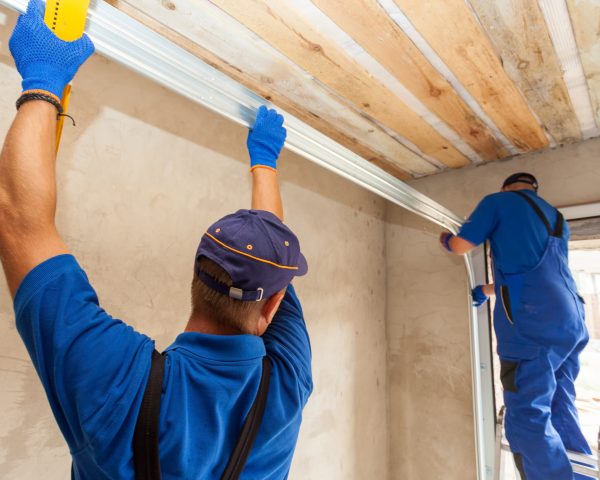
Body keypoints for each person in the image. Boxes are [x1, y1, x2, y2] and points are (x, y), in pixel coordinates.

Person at [0, 1, 312, 478]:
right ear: (271, 307)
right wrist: (264, 160)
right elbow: (17, 221)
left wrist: (43, 79)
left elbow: (25, 224)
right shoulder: (286, 382)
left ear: (195, 275)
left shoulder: (121, 384)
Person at [439, 172, 591, 479]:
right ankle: (583, 474)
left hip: (533, 327)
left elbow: (460, 246)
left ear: (504, 187)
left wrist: (445, 238)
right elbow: (534, 275)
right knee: (560, 402)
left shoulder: (497, 203)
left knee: (527, 416)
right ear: (534, 190)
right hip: (571, 318)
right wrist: (485, 290)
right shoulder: (556, 217)